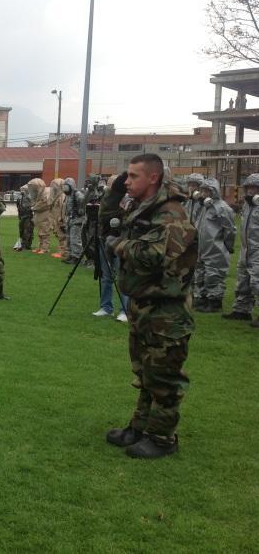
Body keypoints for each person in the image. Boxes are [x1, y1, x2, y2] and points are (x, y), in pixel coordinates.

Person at [101, 153, 197, 459]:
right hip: (144, 304)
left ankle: (163, 437)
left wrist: (117, 245)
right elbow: (105, 221)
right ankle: (140, 428)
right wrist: (115, 191)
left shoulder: (170, 213)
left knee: (164, 377)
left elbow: (154, 254)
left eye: (132, 176)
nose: (127, 181)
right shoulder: (142, 208)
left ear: (153, 177)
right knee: (144, 373)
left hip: (166, 310)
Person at [193, 177, 236, 313]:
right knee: (200, 273)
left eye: (207, 191)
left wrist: (228, 245)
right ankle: (202, 299)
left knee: (213, 275)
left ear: (214, 192)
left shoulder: (222, 208)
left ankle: (215, 302)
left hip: (215, 248)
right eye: (203, 191)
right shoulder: (203, 207)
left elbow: (229, 229)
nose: (204, 194)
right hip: (201, 247)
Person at [223, 173, 259, 327]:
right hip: (246, 249)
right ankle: (242, 311)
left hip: (257, 250)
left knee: (258, 281)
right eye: (249, 188)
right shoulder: (247, 205)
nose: (251, 191)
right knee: (243, 281)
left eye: (255, 188)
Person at [93, 174, 129, 322]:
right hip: (105, 239)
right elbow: (102, 217)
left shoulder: (127, 201)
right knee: (106, 276)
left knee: (122, 276)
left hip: (122, 241)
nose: (109, 188)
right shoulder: (106, 200)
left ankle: (125, 310)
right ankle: (106, 307)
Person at [62, 177, 85, 264]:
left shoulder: (77, 194)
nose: (65, 188)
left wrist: (80, 212)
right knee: (69, 239)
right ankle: (71, 255)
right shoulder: (68, 196)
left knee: (75, 239)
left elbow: (83, 202)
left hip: (76, 219)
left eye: (67, 186)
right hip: (70, 219)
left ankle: (77, 257)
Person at [27, 178, 51, 254]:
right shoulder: (39, 194)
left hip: (44, 215)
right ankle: (40, 247)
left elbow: (45, 204)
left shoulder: (46, 193)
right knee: (40, 232)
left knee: (44, 232)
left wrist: (34, 207)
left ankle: (45, 248)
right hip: (39, 215)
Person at [48, 178, 67, 259]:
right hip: (56, 219)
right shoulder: (57, 196)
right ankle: (61, 250)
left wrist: (61, 218)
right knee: (59, 235)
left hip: (60, 219)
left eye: (55, 186)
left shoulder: (62, 196)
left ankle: (63, 252)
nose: (54, 188)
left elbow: (63, 208)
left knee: (62, 236)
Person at [15, 184, 34, 252]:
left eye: (23, 189)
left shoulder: (30, 197)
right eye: (21, 189)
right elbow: (18, 206)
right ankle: (22, 244)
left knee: (28, 231)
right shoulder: (19, 197)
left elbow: (32, 205)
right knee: (21, 231)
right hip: (22, 216)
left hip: (28, 216)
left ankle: (26, 245)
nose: (22, 191)